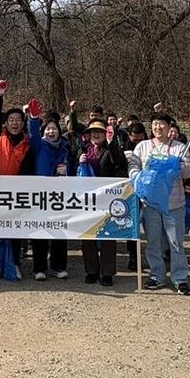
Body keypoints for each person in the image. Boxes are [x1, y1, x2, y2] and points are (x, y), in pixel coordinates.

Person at [128, 113, 190, 295]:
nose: (158, 128)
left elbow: (189, 172)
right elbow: (133, 166)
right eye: (155, 124)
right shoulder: (142, 146)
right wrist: (137, 176)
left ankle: (180, 278)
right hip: (150, 204)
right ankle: (157, 275)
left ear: (169, 126)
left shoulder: (179, 148)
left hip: (174, 204)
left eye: (162, 124)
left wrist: (179, 166)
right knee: (153, 242)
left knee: (176, 243)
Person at [0, 79, 35, 280]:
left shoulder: (27, 144)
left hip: (17, 195)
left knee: (15, 231)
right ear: (6, 123)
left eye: (18, 120)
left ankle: (14, 264)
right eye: (11, 120)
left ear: (23, 123)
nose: (15, 123)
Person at [26, 98, 73, 280]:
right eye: (47, 129)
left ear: (59, 131)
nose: (51, 132)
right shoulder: (39, 146)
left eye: (54, 129)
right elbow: (32, 136)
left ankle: (58, 266)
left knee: (60, 231)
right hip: (40, 194)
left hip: (60, 195)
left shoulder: (65, 148)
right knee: (40, 231)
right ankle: (39, 268)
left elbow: (74, 169)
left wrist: (66, 171)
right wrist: (33, 119)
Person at [78, 119, 128, 286]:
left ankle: (107, 273)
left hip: (108, 199)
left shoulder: (111, 148)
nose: (96, 134)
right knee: (88, 236)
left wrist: (111, 142)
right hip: (87, 200)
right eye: (93, 131)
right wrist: (80, 161)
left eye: (99, 131)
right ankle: (91, 271)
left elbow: (120, 163)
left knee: (108, 236)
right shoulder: (84, 149)